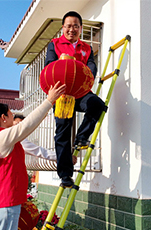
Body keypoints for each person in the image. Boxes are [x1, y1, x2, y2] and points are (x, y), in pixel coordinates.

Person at [0, 81, 65, 230]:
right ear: (3, 118)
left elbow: (26, 130)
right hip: (4, 199)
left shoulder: (1, 137)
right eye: (10, 113)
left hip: (2, 199)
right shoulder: (2, 137)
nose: (14, 117)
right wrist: (48, 101)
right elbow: (26, 126)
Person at [45, 11, 105, 187]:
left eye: (75, 26)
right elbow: (49, 65)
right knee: (62, 133)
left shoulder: (86, 48)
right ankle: (65, 175)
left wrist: (85, 73)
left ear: (80, 28)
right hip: (62, 95)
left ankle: (82, 137)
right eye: (68, 26)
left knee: (97, 104)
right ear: (63, 28)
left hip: (79, 93)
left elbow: (91, 68)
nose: (72, 29)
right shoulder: (54, 44)